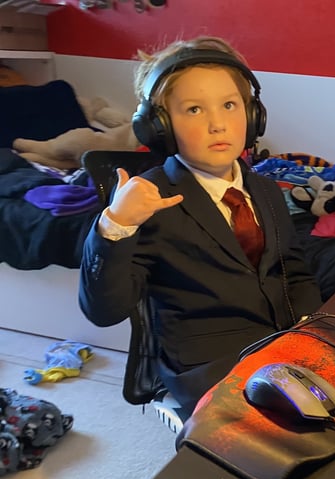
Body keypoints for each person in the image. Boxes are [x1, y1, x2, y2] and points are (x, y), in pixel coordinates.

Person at [79, 36, 322, 424]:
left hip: (285, 349)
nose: (217, 123)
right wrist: (116, 224)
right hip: (211, 367)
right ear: (159, 127)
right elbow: (103, 310)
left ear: (253, 114)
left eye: (229, 105)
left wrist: (315, 330)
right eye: (193, 109)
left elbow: (293, 268)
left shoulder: (263, 189)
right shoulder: (152, 201)